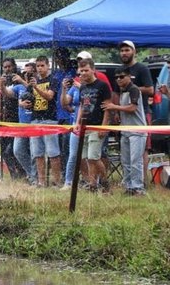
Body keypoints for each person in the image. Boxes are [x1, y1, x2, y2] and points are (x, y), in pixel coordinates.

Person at [101, 67, 147, 196]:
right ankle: (128, 187)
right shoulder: (121, 91)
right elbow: (123, 109)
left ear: (129, 76)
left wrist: (114, 107)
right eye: (116, 78)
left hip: (137, 130)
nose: (119, 80)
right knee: (125, 161)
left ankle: (138, 188)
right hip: (125, 130)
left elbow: (132, 108)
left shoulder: (134, 89)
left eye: (121, 77)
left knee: (135, 161)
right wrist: (117, 113)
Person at [74, 58, 112, 192]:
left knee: (94, 157)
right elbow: (81, 106)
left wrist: (103, 126)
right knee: (86, 158)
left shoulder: (102, 86)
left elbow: (107, 107)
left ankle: (105, 181)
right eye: (81, 70)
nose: (83, 73)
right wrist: (77, 123)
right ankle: (93, 184)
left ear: (93, 70)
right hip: (85, 126)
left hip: (97, 126)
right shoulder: (83, 87)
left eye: (86, 70)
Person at [119, 40, 154, 183]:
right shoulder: (120, 70)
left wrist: (131, 88)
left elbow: (151, 90)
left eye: (127, 50)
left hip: (142, 112)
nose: (124, 53)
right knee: (127, 150)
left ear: (134, 52)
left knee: (142, 149)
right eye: (122, 51)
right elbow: (116, 92)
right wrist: (115, 112)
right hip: (124, 113)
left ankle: (142, 181)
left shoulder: (142, 69)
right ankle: (129, 182)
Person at [29, 56, 62, 187]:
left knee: (53, 152)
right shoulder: (33, 81)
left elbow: (49, 96)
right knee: (37, 153)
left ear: (48, 66)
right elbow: (25, 96)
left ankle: (56, 181)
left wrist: (36, 88)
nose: (40, 68)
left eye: (42, 65)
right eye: (38, 66)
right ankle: (41, 182)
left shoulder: (53, 80)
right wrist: (23, 103)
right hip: (35, 119)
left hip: (50, 120)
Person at [0, 58, 25, 179]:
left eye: (9, 66)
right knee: (5, 151)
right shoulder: (4, 80)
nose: (7, 69)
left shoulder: (19, 80)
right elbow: (3, 95)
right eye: (5, 67)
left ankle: (22, 173)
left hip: (18, 119)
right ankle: (14, 175)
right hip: (6, 119)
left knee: (13, 150)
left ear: (14, 66)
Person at [52, 48, 77, 169]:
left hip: (69, 114)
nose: (60, 60)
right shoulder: (56, 74)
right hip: (58, 114)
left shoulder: (74, 72)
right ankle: (62, 172)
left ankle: (68, 173)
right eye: (58, 58)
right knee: (59, 146)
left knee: (67, 146)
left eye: (62, 57)